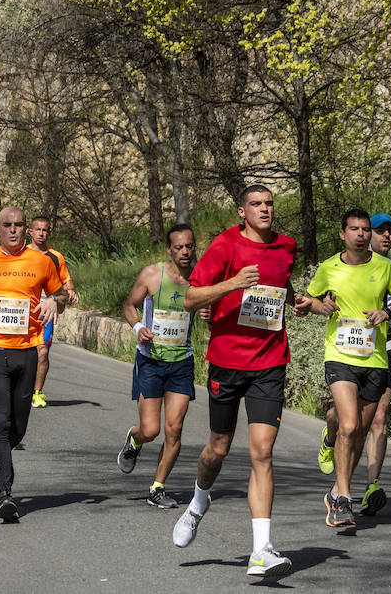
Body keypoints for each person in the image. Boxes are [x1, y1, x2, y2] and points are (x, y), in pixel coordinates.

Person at [171, 185, 303, 578]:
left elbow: (281, 286)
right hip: (227, 362)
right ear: (241, 211)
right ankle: (198, 503)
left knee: (262, 452)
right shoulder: (225, 246)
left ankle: (261, 549)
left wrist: (301, 301)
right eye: (257, 204)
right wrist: (231, 285)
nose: (265, 209)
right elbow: (191, 298)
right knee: (218, 447)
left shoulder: (286, 246)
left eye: (269, 204)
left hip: (270, 362)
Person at [301, 208, 391, 528]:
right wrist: (316, 306)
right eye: (355, 229)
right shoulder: (328, 268)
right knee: (349, 426)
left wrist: (386, 315)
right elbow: (309, 302)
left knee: (360, 431)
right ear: (343, 234)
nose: (361, 234)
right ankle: (343, 499)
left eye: (365, 229)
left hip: (376, 359)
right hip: (339, 356)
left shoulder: (386, 268)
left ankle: (338, 492)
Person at [0, 206, 66, 522]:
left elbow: (59, 295)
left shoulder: (42, 261)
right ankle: (6, 495)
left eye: (20, 225)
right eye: (8, 225)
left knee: (17, 426)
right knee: (1, 420)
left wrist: (51, 300)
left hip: (27, 351)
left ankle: (2, 446)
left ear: (27, 230)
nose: (14, 230)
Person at [117, 224, 206, 510]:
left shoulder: (201, 278)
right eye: (178, 247)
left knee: (174, 428)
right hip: (151, 360)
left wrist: (209, 311)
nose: (184, 252)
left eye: (189, 247)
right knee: (151, 429)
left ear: (194, 248)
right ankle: (135, 438)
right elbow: (129, 306)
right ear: (169, 249)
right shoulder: (152, 274)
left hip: (181, 361)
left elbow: (212, 314)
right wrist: (138, 327)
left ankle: (157, 487)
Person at [27, 216, 79, 408]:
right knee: (20, 352)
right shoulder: (20, 253)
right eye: (37, 230)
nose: (41, 234)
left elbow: (65, 279)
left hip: (46, 309)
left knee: (42, 351)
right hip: (24, 309)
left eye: (45, 230)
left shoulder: (55, 257)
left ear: (49, 232)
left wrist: (71, 290)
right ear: (30, 231)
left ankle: (37, 392)